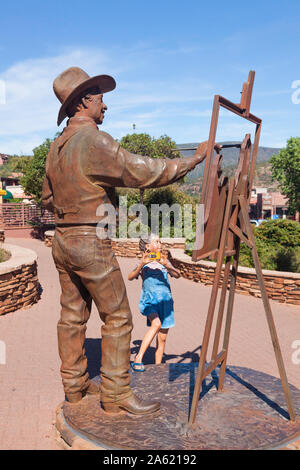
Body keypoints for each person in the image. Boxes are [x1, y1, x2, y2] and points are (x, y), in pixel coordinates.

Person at [42, 66, 209, 416]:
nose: (106, 106)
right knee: (118, 317)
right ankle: (116, 394)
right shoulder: (94, 140)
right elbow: (141, 170)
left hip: (62, 240)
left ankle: (75, 387)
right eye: (101, 99)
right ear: (85, 101)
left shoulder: (57, 146)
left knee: (72, 316)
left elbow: (46, 199)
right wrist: (192, 160)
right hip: (91, 241)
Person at [128, 235, 180, 371]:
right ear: (147, 246)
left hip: (166, 303)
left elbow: (177, 274)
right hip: (150, 301)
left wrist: (168, 265)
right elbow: (130, 276)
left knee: (162, 339)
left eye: (160, 241)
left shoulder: (164, 260)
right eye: (156, 241)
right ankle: (138, 358)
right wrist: (141, 264)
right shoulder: (144, 262)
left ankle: (158, 369)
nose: (160, 243)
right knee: (156, 324)